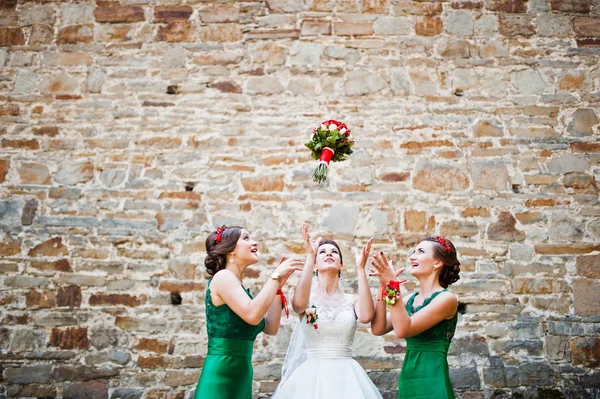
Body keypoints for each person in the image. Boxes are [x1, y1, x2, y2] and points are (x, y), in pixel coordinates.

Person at [272, 224, 383, 399]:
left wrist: (361, 268)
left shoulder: (351, 300)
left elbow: (367, 315)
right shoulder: (306, 298)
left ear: (341, 266)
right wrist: (310, 255)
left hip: (347, 378)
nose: (329, 253)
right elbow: (299, 305)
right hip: (311, 378)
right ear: (315, 266)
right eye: (322, 252)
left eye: (334, 252)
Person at [195, 226, 304, 399]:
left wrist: (278, 287)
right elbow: (252, 315)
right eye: (246, 238)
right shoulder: (223, 277)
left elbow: (270, 328)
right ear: (230, 251)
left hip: (241, 373)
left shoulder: (240, 289)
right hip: (221, 372)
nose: (254, 243)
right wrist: (274, 276)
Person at [370, 236, 461, 399]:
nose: (412, 256)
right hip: (408, 381)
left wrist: (392, 285)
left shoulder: (447, 299)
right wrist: (382, 285)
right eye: (414, 252)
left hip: (434, 382)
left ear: (437, 262)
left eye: (421, 251)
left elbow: (404, 329)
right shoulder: (408, 300)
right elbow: (377, 329)